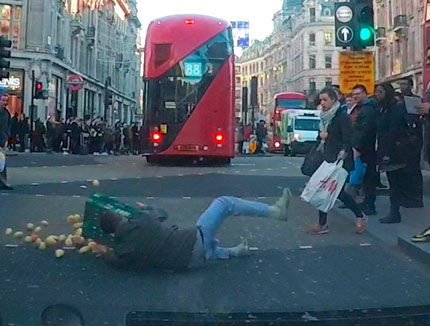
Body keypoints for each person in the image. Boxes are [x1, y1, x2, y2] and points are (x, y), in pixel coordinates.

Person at [92, 189, 291, 271]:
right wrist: (146, 208)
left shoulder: (123, 251)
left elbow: (113, 260)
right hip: (192, 242)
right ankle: (274, 211)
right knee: (224, 203)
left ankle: (235, 251)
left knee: (204, 249)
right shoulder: (140, 219)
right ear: (121, 216)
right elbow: (162, 214)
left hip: (188, 263)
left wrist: (102, 251)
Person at [306, 87, 367, 235]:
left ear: (334, 100)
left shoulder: (341, 116)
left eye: (325, 99)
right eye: (321, 100)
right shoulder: (324, 116)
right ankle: (323, 224)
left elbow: (348, 136)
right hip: (327, 157)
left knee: (336, 192)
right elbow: (322, 137)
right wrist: (321, 136)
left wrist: (344, 151)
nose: (322, 103)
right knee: (324, 190)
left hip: (340, 160)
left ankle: (359, 215)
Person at [374, 83, 417, 224]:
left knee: (395, 183)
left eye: (380, 92)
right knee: (394, 182)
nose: (377, 94)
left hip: (395, 152)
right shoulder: (383, 109)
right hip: (387, 149)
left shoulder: (394, 109)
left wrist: (387, 153)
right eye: (376, 92)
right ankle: (394, 211)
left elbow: (393, 132)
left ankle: (395, 212)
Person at [350, 85, 379, 216]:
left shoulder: (367, 109)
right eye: (353, 94)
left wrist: (358, 147)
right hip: (366, 148)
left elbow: (364, 131)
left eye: (358, 93)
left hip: (367, 149)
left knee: (368, 177)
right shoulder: (362, 108)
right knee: (366, 177)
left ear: (365, 94)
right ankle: (367, 201)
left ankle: (370, 204)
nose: (355, 96)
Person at [397, 77, 424, 208]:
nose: (402, 87)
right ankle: (406, 195)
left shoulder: (415, 100)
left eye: (405, 84)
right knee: (404, 169)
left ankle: (416, 197)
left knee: (413, 168)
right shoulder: (398, 100)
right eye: (401, 84)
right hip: (402, 139)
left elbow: (416, 119)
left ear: (411, 86)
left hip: (413, 139)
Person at [0, 93, 13, 190]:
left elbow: (8, 126)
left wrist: (6, 136)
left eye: (6, 100)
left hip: (2, 139)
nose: (5, 102)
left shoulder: (7, 113)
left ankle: (3, 182)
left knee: (2, 162)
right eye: (3, 100)